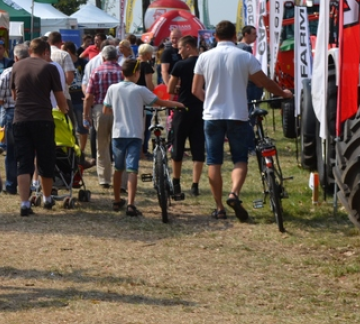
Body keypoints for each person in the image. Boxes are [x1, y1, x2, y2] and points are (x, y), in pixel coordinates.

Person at [192, 21, 293, 221]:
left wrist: (210, 101)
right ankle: (234, 193)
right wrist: (283, 93)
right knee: (240, 159)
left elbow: (195, 90)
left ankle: (219, 208)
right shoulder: (244, 56)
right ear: (234, 36)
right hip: (237, 113)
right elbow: (263, 82)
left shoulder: (204, 57)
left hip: (212, 115)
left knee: (214, 162)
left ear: (216, 37)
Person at [104, 58, 184, 216]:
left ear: (123, 73)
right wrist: (177, 104)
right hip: (135, 133)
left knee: (118, 169)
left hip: (118, 133)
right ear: (137, 73)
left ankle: (116, 200)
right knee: (132, 169)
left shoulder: (113, 88)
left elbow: (106, 110)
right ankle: (131, 204)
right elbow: (158, 102)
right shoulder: (139, 90)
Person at [11, 38, 69, 216]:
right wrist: (65, 110)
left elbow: (14, 95)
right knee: (45, 160)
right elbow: (60, 98)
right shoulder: (49, 68)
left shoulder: (16, 67)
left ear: (30, 50)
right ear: (45, 52)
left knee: (24, 162)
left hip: (20, 118)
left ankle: (24, 203)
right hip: (43, 118)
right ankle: (46, 198)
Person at [166, 36, 205, 197]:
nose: (179, 51)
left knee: (178, 147)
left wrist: (178, 89)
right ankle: (195, 185)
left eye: (180, 48)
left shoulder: (180, 65)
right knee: (198, 149)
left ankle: (176, 182)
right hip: (201, 109)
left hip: (183, 109)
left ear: (188, 47)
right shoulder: (204, 63)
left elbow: (170, 88)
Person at [82, 46, 124, 189]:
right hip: (120, 109)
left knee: (102, 145)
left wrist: (86, 115)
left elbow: (88, 97)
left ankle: (104, 179)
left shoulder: (96, 71)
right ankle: (122, 181)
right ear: (117, 57)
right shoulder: (122, 72)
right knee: (120, 145)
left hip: (100, 109)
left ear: (103, 57)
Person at [0, 43, 26, 195]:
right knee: (28, 151)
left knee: (11, 151)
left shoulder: (7, 73)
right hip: (30, 113)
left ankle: (11, 185)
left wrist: (7, 102)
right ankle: (29, 184)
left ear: (16, 57)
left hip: (11, 113)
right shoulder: (35, 71)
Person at [62, 41, 90, 162]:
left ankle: (81, 152)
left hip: (80, 99)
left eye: (63, 50)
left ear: (69, 51)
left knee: (82, 128)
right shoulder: (63, 63)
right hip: (68, 99)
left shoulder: (83, 63)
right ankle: (73, 150)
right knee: (69, 127)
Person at [135, 44, 156, 157]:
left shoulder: (134, 64)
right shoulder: (146, 66)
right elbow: (149, 86)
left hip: (134, 97)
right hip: (144, 98)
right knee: (146, 124)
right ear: (147, 54)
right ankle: (143, 150)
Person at [238, 26, 263, 106]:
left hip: (242, 84)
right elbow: (248, 68)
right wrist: (258, 83)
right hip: (250, 84)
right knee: (253, 109)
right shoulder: (246, 48)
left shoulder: (238, 46)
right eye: (254, 34)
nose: (256, 36)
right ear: (246, 34)